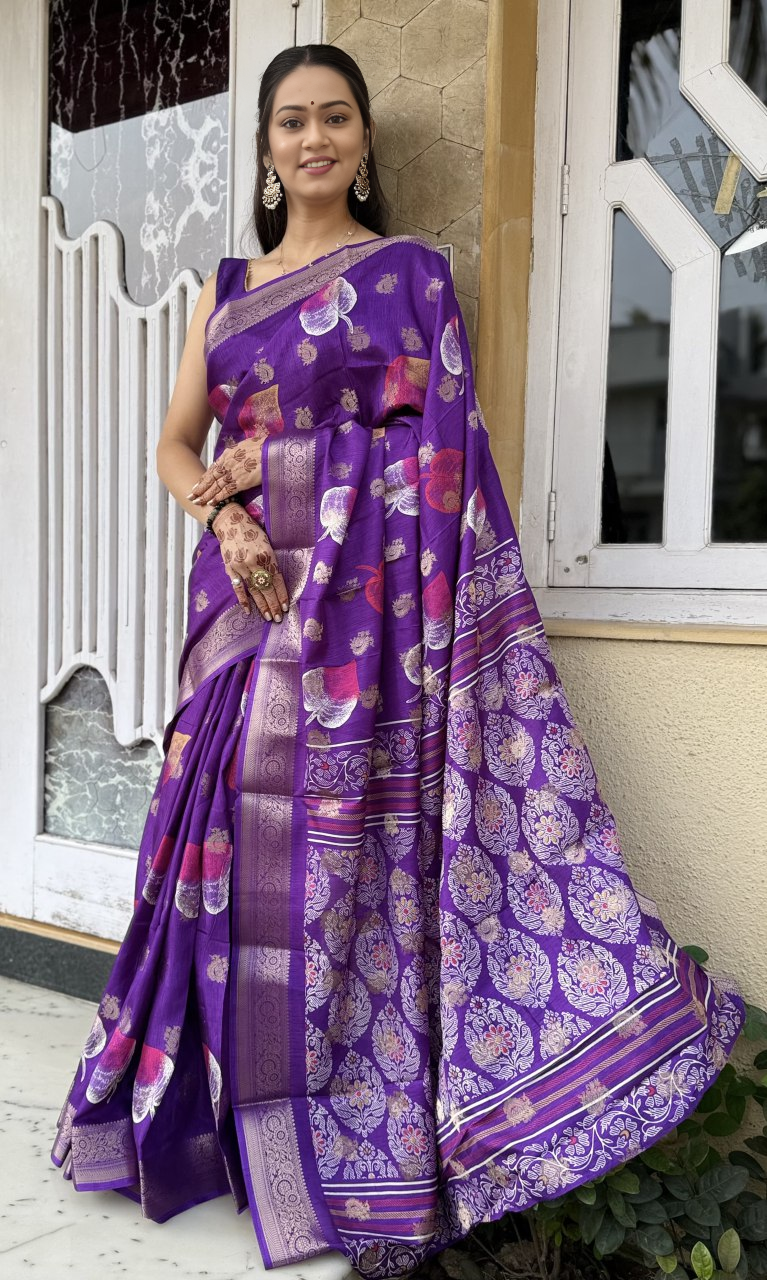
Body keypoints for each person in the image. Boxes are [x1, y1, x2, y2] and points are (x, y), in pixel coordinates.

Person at [50, 42, 746, 1280]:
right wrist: (223, 514)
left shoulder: (409, 277)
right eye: (290, 121)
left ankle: (337, 1136)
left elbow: (443, 453)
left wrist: (287, 468)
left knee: (347, 864)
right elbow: (176, 442)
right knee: (215, 852)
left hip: (367, 632)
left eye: (334, 118)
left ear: (364, 141)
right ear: (265, 149)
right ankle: (218, 1122)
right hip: (245, 607)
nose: (313, 138)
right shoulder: (225, 290)